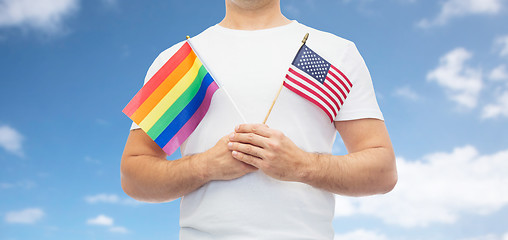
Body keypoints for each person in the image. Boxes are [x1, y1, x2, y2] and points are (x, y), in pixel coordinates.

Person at [121, 0, 397, 239]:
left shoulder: (335, 52)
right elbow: (133, 175)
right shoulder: (181, 59)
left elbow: (382, 170)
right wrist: (204, 166)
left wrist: (301, 165)